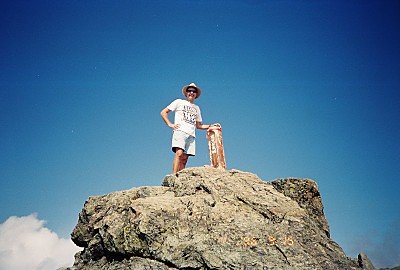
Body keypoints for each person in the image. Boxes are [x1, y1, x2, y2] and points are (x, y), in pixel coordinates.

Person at [160, 82, 212, 174]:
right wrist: (170, 124)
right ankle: (174, 176)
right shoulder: (179, 102)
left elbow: (199, 125)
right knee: (179, 153)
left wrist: (211, 126)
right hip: (180, 131)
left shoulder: (197, 108)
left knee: (184, 158)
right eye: (189, 90)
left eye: (194, 91)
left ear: (196, 94)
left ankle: (180, 178)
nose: (191, 92)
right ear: (186, 93)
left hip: (191, 134)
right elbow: (163, 112)